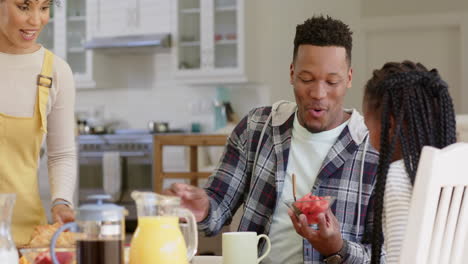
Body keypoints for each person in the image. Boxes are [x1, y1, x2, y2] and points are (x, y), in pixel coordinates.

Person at [165, 15, 382, 263]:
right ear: (292, 73)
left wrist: (337, 248)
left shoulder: (372, 148)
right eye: (306, 79)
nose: (318, 93)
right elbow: (217, 207)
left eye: (332, 81)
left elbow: (384, 256)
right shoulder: (257, 128)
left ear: (349, 78)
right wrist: (202, 209)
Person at [362, 61, 457, 264]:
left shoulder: (395, 177)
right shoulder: (454, 173)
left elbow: (400, 259)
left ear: (390, 127)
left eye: (366, 125)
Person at [0, 0, 76, 245]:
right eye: (23, 6)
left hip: (25, 238)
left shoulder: (54, 71)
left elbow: (61, 153)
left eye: (44, 7)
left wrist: (62, 200)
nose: (36, 20)